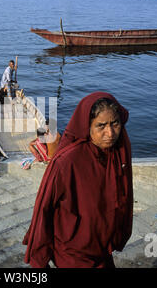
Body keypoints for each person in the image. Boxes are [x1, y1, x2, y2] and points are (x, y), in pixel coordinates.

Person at [23, 92, 133, 268]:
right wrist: (40, 258)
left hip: (102, 247)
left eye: (115, 124)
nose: (110, 133)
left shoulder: (116, 153)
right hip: (73, 252)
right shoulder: (67, 161)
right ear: (87, 126)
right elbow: (43, 208)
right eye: (101, 126)